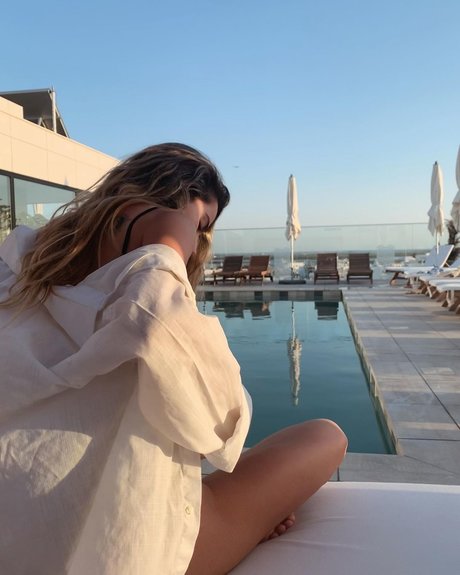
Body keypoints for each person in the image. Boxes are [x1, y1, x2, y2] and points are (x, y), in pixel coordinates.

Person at [0, 143, 347, 575]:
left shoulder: (13, 270)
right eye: (198, 224)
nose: (195, 241)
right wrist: (164, 252)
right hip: (122, 542)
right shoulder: (151, 303)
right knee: (325, 437)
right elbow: (221, 430)